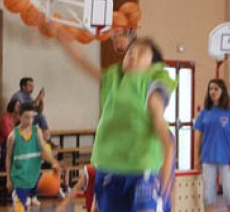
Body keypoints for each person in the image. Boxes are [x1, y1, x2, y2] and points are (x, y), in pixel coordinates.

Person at [59, 35, 176, 212]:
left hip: (142, 170)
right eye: (130, 51)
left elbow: (161, 126)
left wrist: (167, 161)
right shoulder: (113, 79)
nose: (133, 55)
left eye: (141, 52)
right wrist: (61, 37)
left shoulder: (152, 84)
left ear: (152, 65)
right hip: (110, 168)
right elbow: (82, 61)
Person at [194, 79, 230, 212]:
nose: (212, 92)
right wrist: (197, 158)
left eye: (216, 89)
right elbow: (198, 137)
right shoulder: (204, 113)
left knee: (229, 192)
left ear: (222, 91)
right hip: (207, 158)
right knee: (208, 194)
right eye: (210, 89)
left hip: (226, 159)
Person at [6, 103, 61, 212]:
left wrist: (54, 162)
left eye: (32, 117)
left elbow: (43, 149)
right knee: (20, 207)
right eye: (26, 117)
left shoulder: (37, 131)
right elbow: (8, 158)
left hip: (33, 176)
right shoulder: (12, 136)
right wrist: (8, 179)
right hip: (19, 176)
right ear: (19, 117)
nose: (30, 120)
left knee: (25, 207)